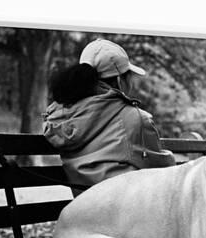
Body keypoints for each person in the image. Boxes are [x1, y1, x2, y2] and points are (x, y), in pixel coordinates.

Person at [42, 39, 175, 190]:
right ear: (119, 80)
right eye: (128, 76)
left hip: (82, 207)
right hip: (122, 208)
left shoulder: (61, 118)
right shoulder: (135, 119)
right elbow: (164, 169)